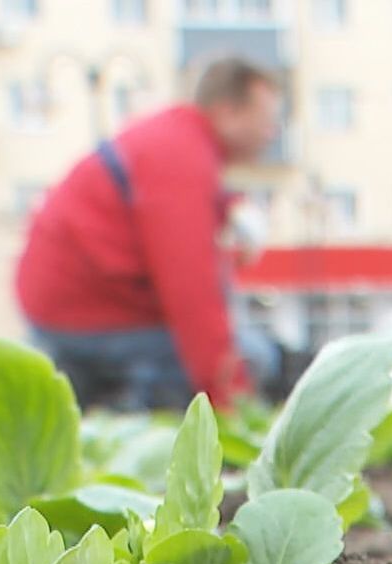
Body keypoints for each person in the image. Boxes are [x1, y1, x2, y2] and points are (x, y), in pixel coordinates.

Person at [15, 57, 280, 409]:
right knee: (255, 355)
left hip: (73, 307)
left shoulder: (176, 140)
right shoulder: (181, 157)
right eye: (265, 119)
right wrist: (231, 402)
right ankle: (132, 407)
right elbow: (191, 291)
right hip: (84, 319)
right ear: (228, 111)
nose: (271, 133)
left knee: (244, 349)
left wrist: (229, 208)